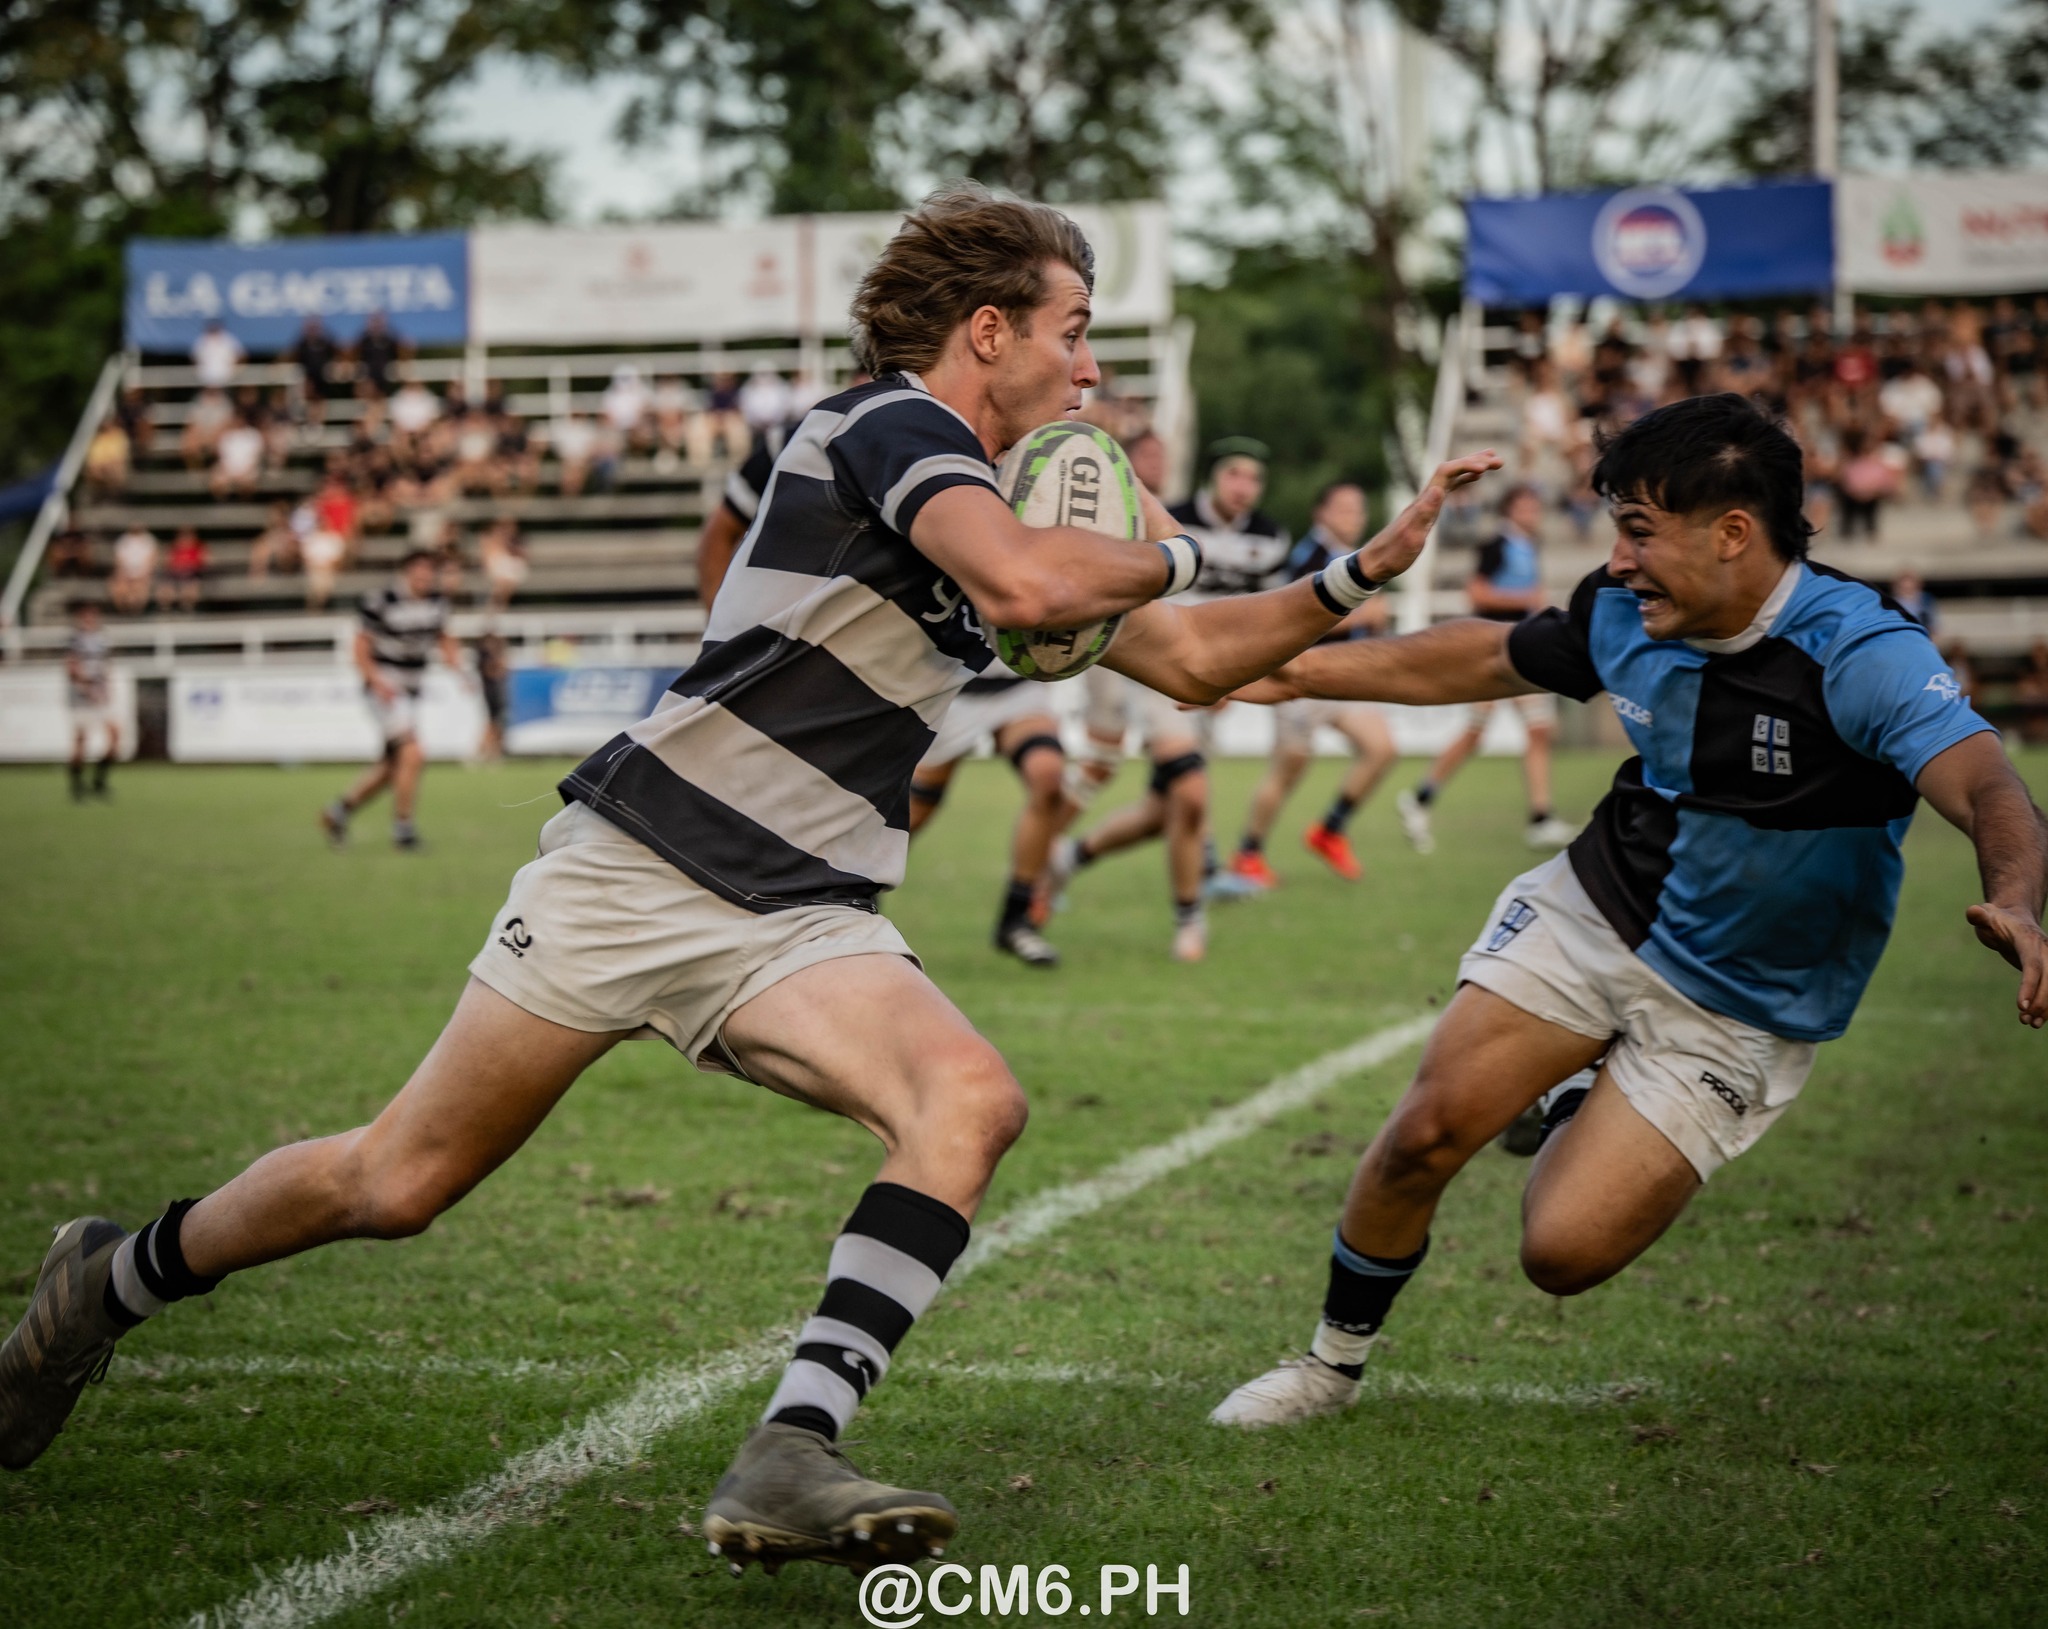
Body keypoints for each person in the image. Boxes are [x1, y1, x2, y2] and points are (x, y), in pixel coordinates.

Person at [0, 188, 1497, 1581]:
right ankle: (110, 1279)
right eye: (1074, 330)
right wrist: (1171, 551)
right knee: (394, 1183)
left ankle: (792, 1449)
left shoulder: (1004, 488)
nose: (1092, 366)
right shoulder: (889, 424)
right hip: (640, 867)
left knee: (969, 1101)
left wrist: (1355, 572)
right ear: (988, 332)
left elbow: (1200, 663)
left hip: (800, 912)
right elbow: (1040, 590)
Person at [1207, 393, 2047, 1430]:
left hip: (1746, 996)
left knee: (1561, 1252)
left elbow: (1987, 784)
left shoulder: (1859, 651)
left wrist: (2015, 899)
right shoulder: (1618, 610)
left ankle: (1573, 1095)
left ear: (1731, 532)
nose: (1617, 561)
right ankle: (1327, 1367)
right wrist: (1292, 673)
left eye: (1640, 531)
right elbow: (1485, 655)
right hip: (1600, 907)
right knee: (1424, 1133)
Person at [1052, 438, 1291, 960]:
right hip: (1162, 674)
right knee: (1191, 791)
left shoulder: (1271, 537)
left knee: (1164, 812)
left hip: (1217, 683)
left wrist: (1239, 675)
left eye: (1254, 478)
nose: (1244, 487)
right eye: (1234, 475)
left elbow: (1267, 615)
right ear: (1213, 477)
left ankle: (1067, 858)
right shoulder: (1172, 521)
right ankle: (1190, 919)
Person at [1226, 481, 1398, 888]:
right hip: (1301, 680)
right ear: (1320, 513)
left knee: (1382, 748)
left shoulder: (1355, 556)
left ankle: (1329, 831)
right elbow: (1299, 619)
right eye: (1343, 508)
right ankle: (1248, 854)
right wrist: (1366, 617)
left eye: (1358, 509)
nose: (1353, 517)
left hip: (1342, 678)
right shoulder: (1310, 558)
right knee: (1288, 770)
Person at [1395, 485, 1576, 854]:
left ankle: (1540, 817)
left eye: (1534, 507)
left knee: (1537, 729)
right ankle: (1420, 798)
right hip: (1494, 649)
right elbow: (1477, 593)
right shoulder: (1496, 546)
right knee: (1482, 733)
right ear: (1509, 511)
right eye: (1524, 507)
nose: (1532, 513)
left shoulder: (1530, 545)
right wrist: (1525, 599)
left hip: (1521, 648)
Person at [318, 549, 463, 851]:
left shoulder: (438, 603)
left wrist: (455, 663)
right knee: (413, 753)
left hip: (410, 692)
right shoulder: (381, 600)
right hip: (385, 690)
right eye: (419, 573)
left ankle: (338, 813)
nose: (424, 579)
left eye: (429, 574)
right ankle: (403, 831)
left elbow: (444, 637)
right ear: (406, 573)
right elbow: (360, 646)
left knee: (392, 767)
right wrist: (375, 680)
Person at [65, 602, 118, 802]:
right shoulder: (75, 640)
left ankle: (99, 781)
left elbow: (105, 667)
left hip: (99, 696)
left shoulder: (102, 639)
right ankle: (77, 786)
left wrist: (105, 689)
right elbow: (71, 669)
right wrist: (87, 688)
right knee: (81, 740)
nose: (90, 619)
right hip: (82, 697)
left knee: (114, 737)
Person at [108, 526, 157, 616]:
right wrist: (124, 574)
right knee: (118, 588)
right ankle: (122, 614)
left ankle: (137, 614)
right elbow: (118, 561)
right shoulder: (123, 540)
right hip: (125, 574)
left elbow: (152, 561)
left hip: (143, 575)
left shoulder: (149, 540)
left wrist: (141, 575)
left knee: (140, 589)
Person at [191, 318, 244, 391]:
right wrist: (198, 370)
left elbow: (241, 355)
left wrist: (236, 370)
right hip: (206, 377)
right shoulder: (202, 339)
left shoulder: (228, 339)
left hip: (226, 376)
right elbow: (194, 357)